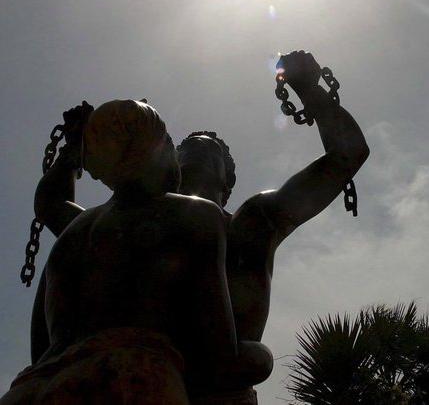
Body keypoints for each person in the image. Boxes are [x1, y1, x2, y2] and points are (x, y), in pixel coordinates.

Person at [29, 50, 370, 403]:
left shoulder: (252, 222)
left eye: (209, 149)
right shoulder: (110, 222)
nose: (192, 149)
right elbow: (51, 206)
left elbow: (347, 155)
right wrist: (75, 150)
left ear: (228, 180)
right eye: (183, 147)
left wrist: (307, 87)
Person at [1, 100, 271, 405]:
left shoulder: (79, 228)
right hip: (130, 374)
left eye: (202, 151)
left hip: (33, 385)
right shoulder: (198, 216)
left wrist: (74, 150)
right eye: (175, 145)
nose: (186, 157)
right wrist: (254, 357)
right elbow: (217, 356)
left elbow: (49, 202)